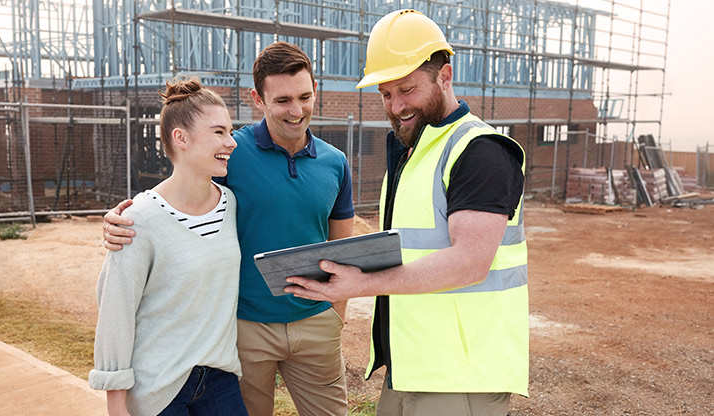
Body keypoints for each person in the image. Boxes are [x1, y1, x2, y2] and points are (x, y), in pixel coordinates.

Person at [285, 9, 528, 416]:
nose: (396, 105)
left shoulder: (479, 151)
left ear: (445, 77)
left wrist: (361, 284)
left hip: (458, 377)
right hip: (414, 364)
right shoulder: (416, 152)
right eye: (385, 93)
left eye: (407, 89)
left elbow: (470, 262)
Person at [102, 42, 354, 416]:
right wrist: (121, 219)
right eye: (283, 100)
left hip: (316, 323)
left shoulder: (336, 163)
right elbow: (180, 193)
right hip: (246, 329)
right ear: (258, 99)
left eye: (305, 96)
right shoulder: (233, 154)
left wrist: (336, 313)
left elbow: (342, 243)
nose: (297, 110)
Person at [88, 76, 248, 416]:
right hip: (158, 389)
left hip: (220, 381)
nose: (231, 142)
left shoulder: (231, 204)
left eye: (230, 131)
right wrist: (116, 405)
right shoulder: (138, 219)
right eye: (219, 132)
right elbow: (116, 314)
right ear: (181, 138)